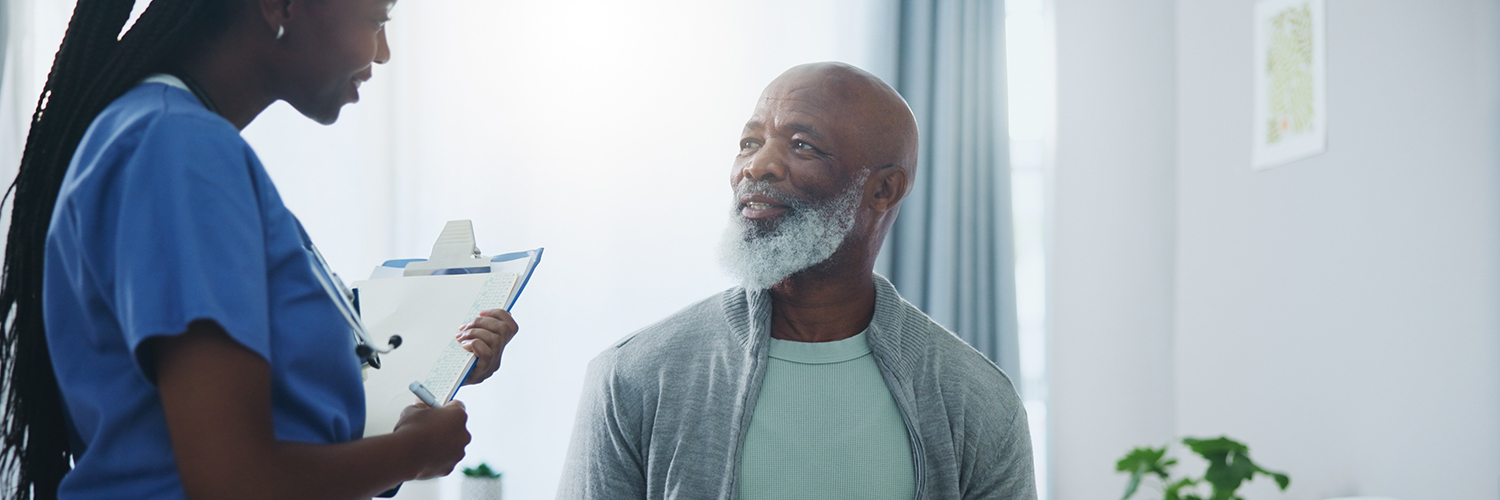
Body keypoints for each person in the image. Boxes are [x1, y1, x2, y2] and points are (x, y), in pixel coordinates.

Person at [0, 0, 520, 498]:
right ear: (281, 5)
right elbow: (234, 483)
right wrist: (414, 452)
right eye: (376, 19)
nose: (382, 52)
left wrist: (436, 373)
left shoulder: (166, 138)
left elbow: (260, 441)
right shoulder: (180, 150)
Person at [557, 62, 1037, 500]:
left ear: (884, 188)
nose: (756, 166)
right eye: (749, 142)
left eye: (802, 145)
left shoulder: (976, 400)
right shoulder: (633, 377)